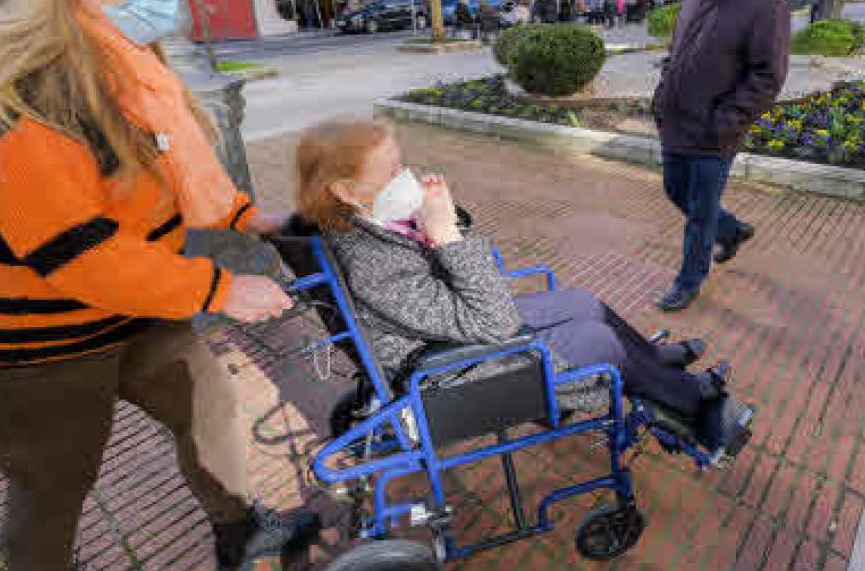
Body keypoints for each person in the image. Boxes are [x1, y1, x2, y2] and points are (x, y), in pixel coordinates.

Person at [0, 0, 301, 571]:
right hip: (19, 345)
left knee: (208, 405)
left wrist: (245, 217)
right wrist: (221, 289)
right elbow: (78, 253)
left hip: (129, 304)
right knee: (54, 487)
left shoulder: (115, 54)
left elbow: (166, 168)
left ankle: (239, 530)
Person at [287, 119, 752, 452]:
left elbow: (462, 293)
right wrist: (445, 234)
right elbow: (494, 319)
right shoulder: (372, 265)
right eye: (391, 172)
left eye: (401, 164)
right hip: (446, 369)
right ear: (346, 192)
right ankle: (694, 405)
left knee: (581, 301)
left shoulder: (368, 220)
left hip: (456, 330)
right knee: (596, 339)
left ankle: (648, 363)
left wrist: (441, 222)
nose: (404, 178)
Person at [651, 0, 790, 312]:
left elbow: (768, 75)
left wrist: (726, 121)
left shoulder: (765, 3)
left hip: (716, 131)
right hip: (678, 121)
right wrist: (662, 95)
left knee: (700, 211)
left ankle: (689, 280)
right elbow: (677, 54)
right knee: (675, 189)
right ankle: (731, 231)